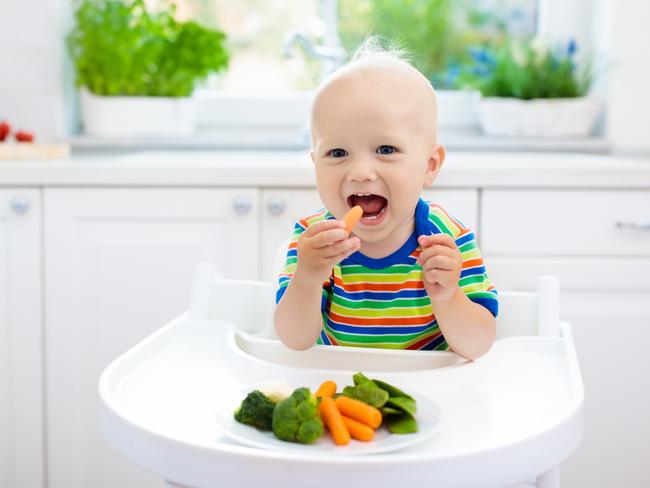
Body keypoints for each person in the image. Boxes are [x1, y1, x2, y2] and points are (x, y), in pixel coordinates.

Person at [274, 39, 498, 360]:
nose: (361, 172)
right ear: (315, 164)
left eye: (386, 150)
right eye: (338, 152)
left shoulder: (446, 238)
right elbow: (295, 340)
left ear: (429, 166)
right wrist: (307, 279)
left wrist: (448, 296)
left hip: (428, 395)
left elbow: (478, 345)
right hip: (339, 391)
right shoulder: (314, 240)